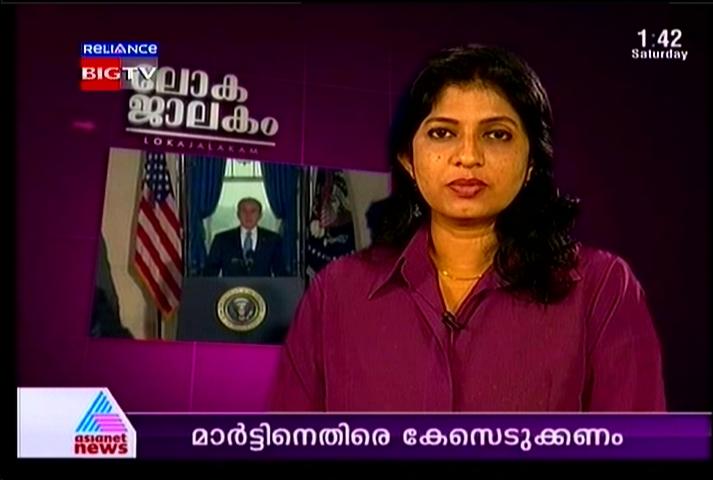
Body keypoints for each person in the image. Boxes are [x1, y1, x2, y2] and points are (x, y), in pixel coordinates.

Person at [268, 44, 666, 412]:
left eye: (497, 135)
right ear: (408, 158)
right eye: (443, 133)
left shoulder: (602, 289)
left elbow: (636, 447)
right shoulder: (335, 293)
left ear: (531, 161)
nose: (469, 156)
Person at [203, 197, 287, 277]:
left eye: (253, 211)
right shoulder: (221, 239)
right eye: (244, 211)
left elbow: (280, 272)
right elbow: (210, 272)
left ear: (260, 215)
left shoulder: (273, 239)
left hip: (263, 287)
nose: (248, 215)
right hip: (231, 287)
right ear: (238, 215)